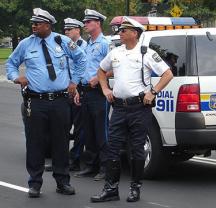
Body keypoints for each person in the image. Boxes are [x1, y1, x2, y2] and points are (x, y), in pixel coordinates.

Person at [90, 17, 173, 203]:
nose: (120, 32)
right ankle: (111, 189)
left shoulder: (146, 53)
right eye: (119, 30)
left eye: (123, 30)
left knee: (136, 150)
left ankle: (135, 188)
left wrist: (153, 92)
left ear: (134, 33)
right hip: (119, 108)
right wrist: (105, 89)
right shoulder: (115, 53)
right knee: (113, 148)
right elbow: (101, 71)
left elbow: (167, 74)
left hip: (139, 108)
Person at [5, 8, 86, 198]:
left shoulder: (62, 41)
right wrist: (16, 77)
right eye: (33, 23)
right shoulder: (26, 44)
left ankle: (62, 182)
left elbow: (81, 59)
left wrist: (74, 81)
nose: (33, 26)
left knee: (61, 141)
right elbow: (11, 63)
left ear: (48, 25)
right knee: (35, 143)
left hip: (60, 100)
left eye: (37, 23)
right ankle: (34, 183)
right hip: (36, 101)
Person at [74, 9, 110, 181]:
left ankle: (105, 167)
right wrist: (79, 90)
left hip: (98, 92)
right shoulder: (88, 44)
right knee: (89, 131)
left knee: (101, 131)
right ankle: (91, 165)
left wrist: (99, 78)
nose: (85, 25)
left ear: (97, 23)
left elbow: (114, 67)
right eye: (85, 22)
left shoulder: (105, 43)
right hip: (85, 91)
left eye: (88, 22)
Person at [64, 17, 87, 171]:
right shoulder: (64, 45)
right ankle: (62, 159)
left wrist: (76, 87)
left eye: (69, 29)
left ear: (77, 30)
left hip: (78, 90)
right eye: (65, 29)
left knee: (79, 128)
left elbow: (83, 69)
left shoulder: (84, 47)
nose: (66, 32)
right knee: (62, 127)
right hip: (65, 90)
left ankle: (75, 159)